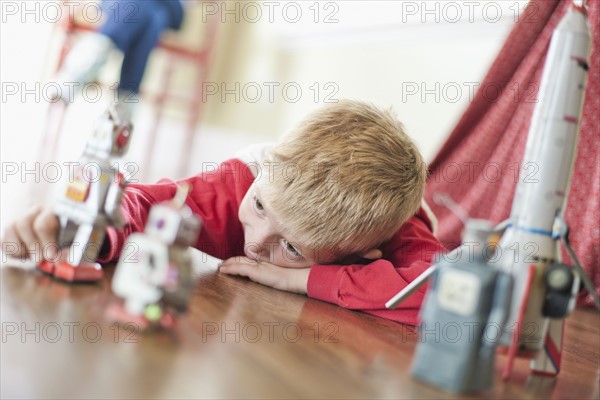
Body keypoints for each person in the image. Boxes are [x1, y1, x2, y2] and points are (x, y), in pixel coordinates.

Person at [1, 100, 446, 325]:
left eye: (291, 247)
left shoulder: (399, 235)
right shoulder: (237, 189)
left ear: (362, 255)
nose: (254, 244)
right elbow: (143, 204)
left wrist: (304, 279)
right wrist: (83, 229)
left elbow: (445, 298)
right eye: (260, 208)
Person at [50, 0, 185, 118]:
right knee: (154, 20)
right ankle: (123, 107)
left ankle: (83, 66)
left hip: (172, 5)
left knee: (148, 12)